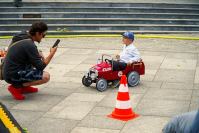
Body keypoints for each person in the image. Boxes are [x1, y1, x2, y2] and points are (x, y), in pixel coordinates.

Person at [2, 21, 58, 100]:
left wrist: (37, 53)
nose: (43, 37)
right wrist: (52, 53)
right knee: (45, 76)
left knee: (32, 62)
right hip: (12, 75)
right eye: (43, 35)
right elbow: (40, 67)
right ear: (38, 33)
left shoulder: (23, 35)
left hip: (8, 70)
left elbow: (23, 49)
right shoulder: (29, 45)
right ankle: (16, 87)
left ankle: (24, 87)